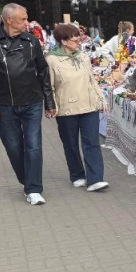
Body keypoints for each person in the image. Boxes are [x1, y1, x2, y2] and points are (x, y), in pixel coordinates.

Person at [0, 3, 56, 205]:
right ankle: (26, 180)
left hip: (32, 102)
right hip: (3, 105)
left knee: (33, 146)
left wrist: (49, 102)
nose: (26, 22)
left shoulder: (31, 41)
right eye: (22, 19)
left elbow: (43, 72)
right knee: (13, 147)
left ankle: (34, 188)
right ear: (8, 20)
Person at [47, 24, 109, 192]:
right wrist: (51, 106)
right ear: (63, 41)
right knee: (71, 144)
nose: (78, 43)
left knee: (92, 143)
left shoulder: (83, 57)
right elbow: (49, 86)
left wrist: (100, 98)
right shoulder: (51, 60)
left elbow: (91, 79)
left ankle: (96, 179)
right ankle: (77, 175)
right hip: (66, 108)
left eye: (79, 39)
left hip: (89, 106)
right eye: (75, 40)